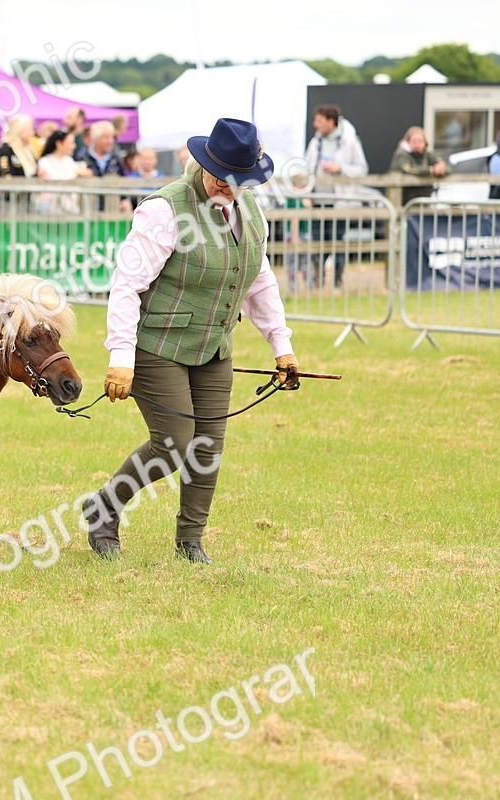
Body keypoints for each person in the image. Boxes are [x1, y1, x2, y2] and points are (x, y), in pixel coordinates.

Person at [83, 118, 298, 564]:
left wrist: (282, 346)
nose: (230, 189)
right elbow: (126, 285)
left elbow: (259, 280)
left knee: (208, 447)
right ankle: (103, 508)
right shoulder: (164, 209)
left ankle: (190, 542)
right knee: (174, 442)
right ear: (205, 165)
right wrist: (121, 357)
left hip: (214, 346)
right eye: (222, 179)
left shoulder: (250, 209)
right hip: (157, 345)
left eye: (240, 181)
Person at [303, 104, 368, 288]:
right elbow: (307, 169)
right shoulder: (315, 143)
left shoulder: (350, 141)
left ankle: (337, 282)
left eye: (319, 121)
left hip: (340, 204)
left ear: (331, 121)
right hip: (317, 203)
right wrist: (306, 194)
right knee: (317, 245)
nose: (315, 125)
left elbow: (362, 169)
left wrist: (340, 169)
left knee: (338, 245)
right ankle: (318, 283)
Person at [387, 126, 448, 205]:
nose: (417, 144)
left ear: (425, 142)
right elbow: (409, 169)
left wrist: (441, 169)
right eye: (414, 141)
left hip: (424, 203)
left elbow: (447, 168)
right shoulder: (401, 154)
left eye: (420, 141)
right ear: (407, 142)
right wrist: (431, 170)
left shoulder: (427, 155)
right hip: (403, 203)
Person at [36, 129, 92, 214]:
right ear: (59, 144)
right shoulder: (44, 161)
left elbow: (87, 172)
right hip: (50, 210)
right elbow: (54, 179)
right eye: (70, 143)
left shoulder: (69, 161)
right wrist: (76, 173)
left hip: (70, 208)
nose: (74, 146)